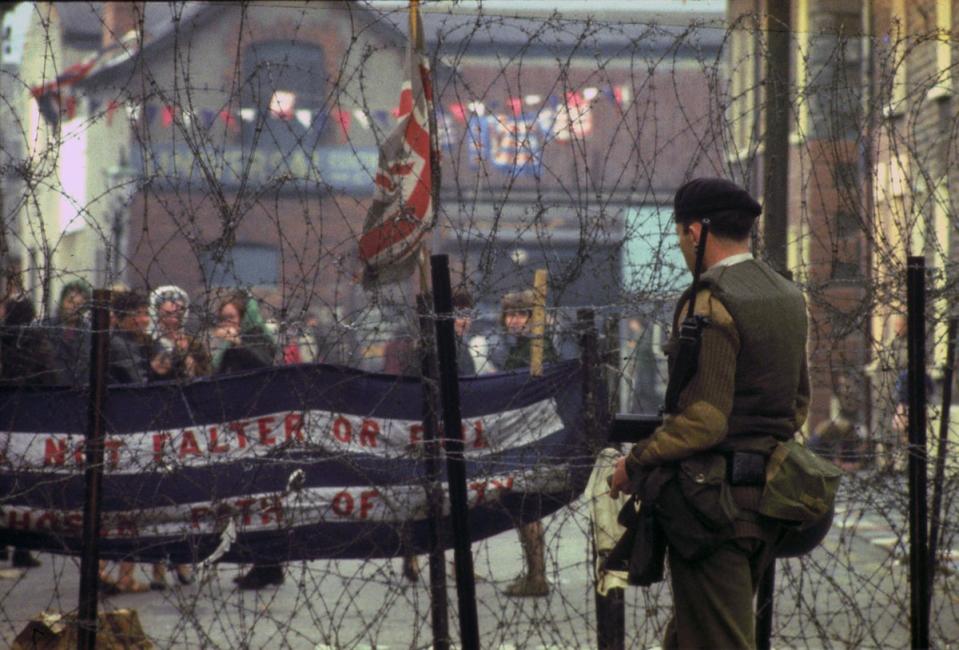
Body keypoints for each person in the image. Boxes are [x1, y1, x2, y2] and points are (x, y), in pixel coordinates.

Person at [610, 178, 810, 649]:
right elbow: (799, 403)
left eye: (680, 235)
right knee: (692, 636)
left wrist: (636, 460)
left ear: (697, 232)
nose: (681, 246)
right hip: (768, 501)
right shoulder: (786, 295)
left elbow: (705, 418)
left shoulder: (711, 300)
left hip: (712, 510)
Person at [209, 291, 282, 589]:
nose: (226, 324)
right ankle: (265, 562)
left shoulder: (258, 340)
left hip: (260, 427)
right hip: (234, 427)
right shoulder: (224, 346)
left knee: (261, 498)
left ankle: (267, 564)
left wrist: (236, 343)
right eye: (222, 319)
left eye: (231, 318)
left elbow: (265, 365)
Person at [499, 288, 559, 598]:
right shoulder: (521, 350)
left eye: (521, 314)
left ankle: (537, 575)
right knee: (524, 508)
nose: (514, 321)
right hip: (521, 437)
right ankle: (534, 573)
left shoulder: (535, 350)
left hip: (531, 438)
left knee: (527, 507)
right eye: (509, 314)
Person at [0, 291, 53, 569]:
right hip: (30, 421)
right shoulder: (36, 342)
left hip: (4, 417)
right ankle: (22, 547)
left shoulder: (3, 340)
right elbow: (49, 377)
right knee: (25, 487)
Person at [47, 280, 91, 386]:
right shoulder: (46, 328)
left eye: (79, 304)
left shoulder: (89, 334)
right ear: (62, 301)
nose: (74, 307)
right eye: (70, 302)